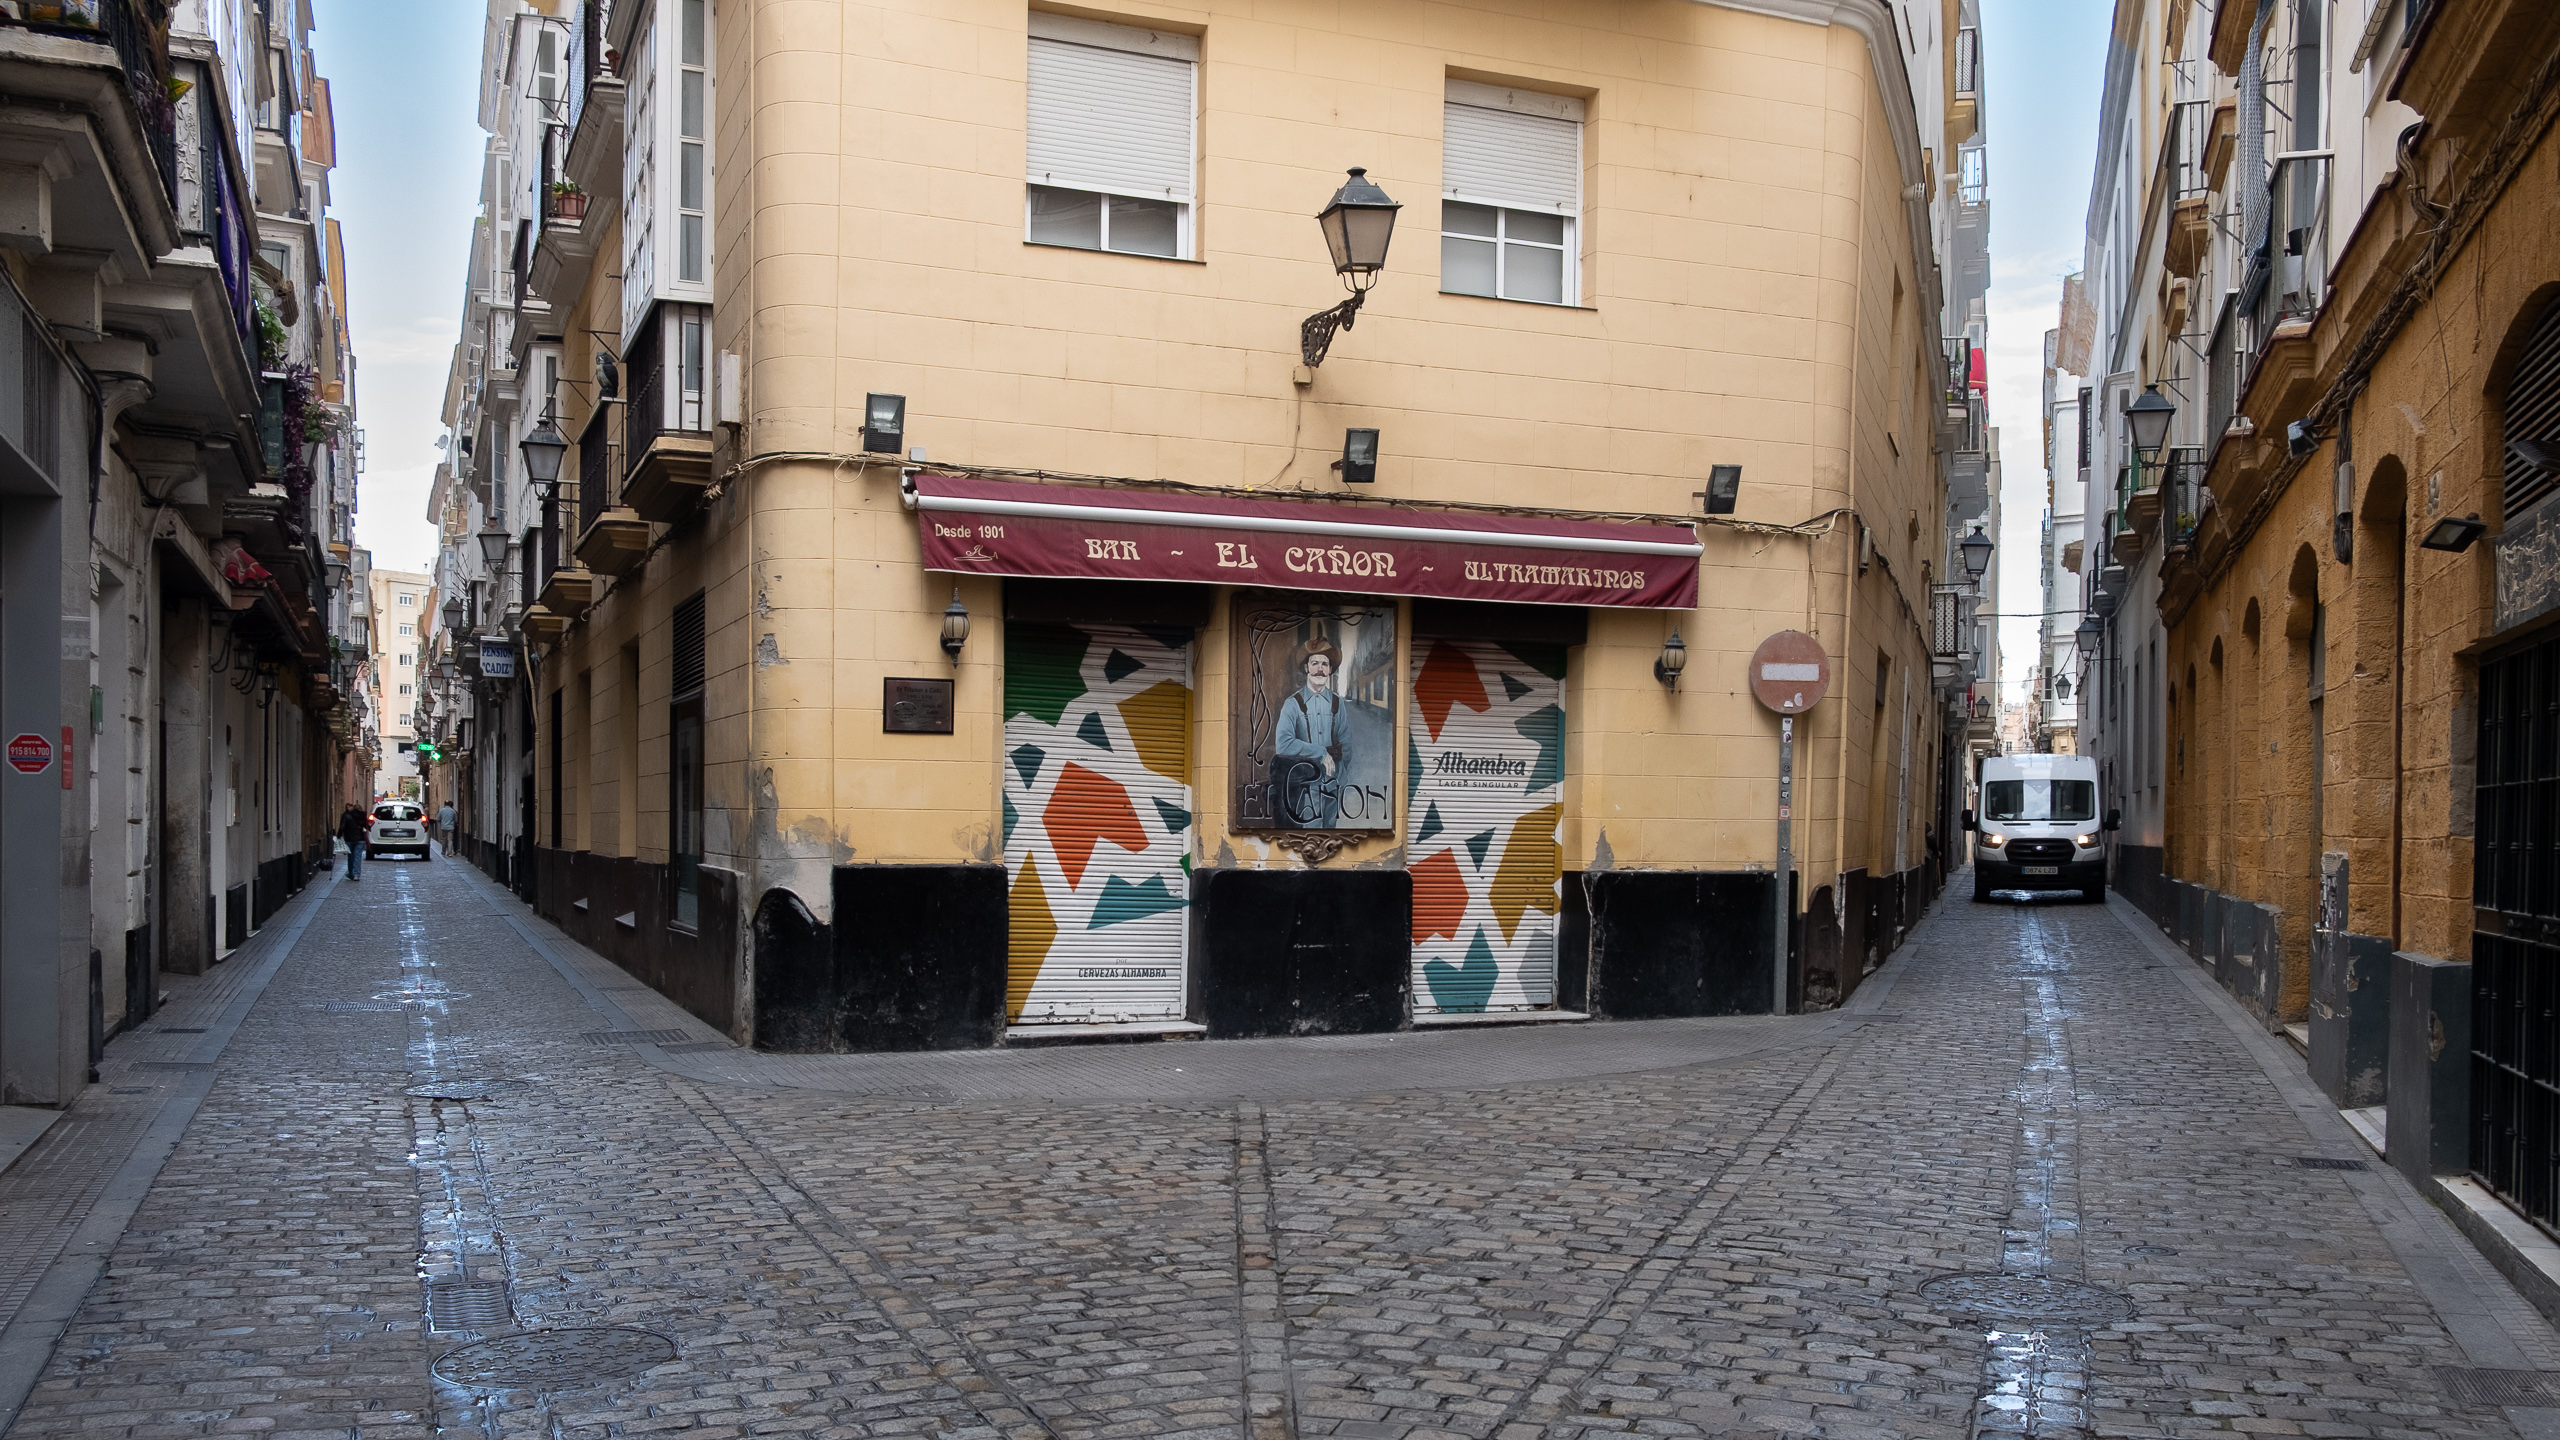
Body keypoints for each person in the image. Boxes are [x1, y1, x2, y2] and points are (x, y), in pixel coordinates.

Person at [1272, 637, 1346, 829]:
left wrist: (1340, 778)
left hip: (1332, 783)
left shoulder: (1338, 703)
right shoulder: (1292, 704)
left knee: (1330, 832)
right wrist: (1320, 752)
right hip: (1305, 784)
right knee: (1309, 836)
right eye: (1314, 663)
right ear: (1306, 668)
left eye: (1324, 664)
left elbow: (1347, 745)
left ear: (1330, 670)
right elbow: (1283, 744)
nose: (1319, 669)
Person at [337, 803, 369, 881]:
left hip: (349, 839)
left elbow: (342, 827)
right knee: (357, 857)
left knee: (350, 857)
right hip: (360, 839)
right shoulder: (362, 816)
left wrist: (339, 836)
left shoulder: (346, 815)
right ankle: (356, 874)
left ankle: (351, 873)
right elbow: (366, 826)